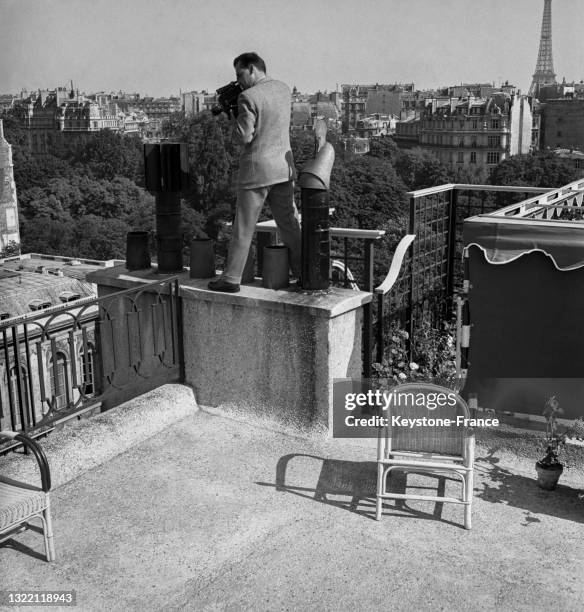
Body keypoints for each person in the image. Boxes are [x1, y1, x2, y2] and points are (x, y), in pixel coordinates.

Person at [208, 52, 301, 292]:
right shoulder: (283, 89)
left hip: (256, 171)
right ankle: (304, 273)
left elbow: (244, 137)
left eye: (240, 74)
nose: (238, 81)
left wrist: (232, 116)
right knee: (289, 224)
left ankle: (231, 279)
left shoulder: (247, 97)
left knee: (244, 226)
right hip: (283, 168)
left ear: (252, 69)